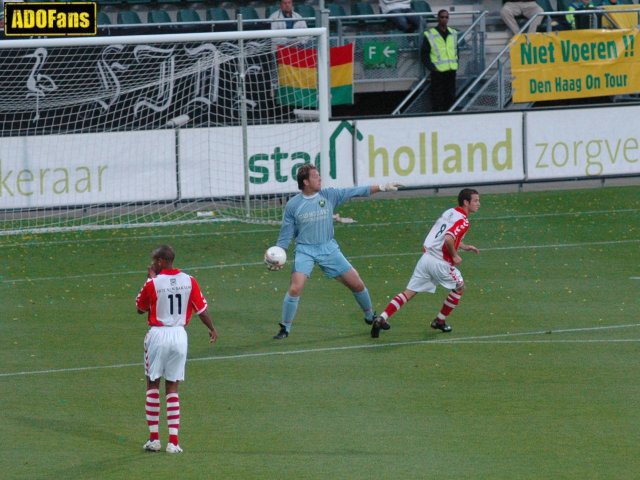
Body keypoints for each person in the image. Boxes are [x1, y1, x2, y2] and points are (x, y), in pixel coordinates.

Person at [267, 164, 400, 339]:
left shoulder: (329, 195)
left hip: (328, 248)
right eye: (316, 177)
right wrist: (278, 255)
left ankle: (370, 317)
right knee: (295, 287)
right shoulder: (293, 205)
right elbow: (285, 234)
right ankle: (285, 328)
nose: (320, 179)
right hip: (305, 251)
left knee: (357, 284)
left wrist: (382, 187)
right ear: (305, 182)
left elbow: (356, 191)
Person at [135, 245, 218, 454]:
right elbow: (202, 309)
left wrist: (149, 279)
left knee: (152, 383)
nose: (152, 264)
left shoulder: (154, 283)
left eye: (154, 260)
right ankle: (173, 442)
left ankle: (154, 439)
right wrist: (212, 329)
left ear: (162, 262)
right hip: (180, 336)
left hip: (158, 334)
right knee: (173, 387)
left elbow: (140, 308)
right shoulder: (189, 280)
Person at [371, 188, 480, 338]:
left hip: (426, 258)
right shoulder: (464, 220)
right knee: (460, 288)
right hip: (441, 263)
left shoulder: (449, 212)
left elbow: (443, 235)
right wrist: (455, 256)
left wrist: (464, 246)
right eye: (475, 201)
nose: (478, 204)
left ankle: (382, 317)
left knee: (409, 292)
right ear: (466, 202)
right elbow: (448, 239)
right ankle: (439, 320)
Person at [421, 9, 458, 112]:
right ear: (438, 18)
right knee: (438, 97)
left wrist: (456, 62)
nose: (444, 19)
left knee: (450, 96)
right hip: (438, 72)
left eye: (446, 17)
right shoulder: (430, 34)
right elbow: (424, 54)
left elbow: (456, 49)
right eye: (442, 17)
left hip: (451, 70)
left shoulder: (453, 33)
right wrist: (432, 68)